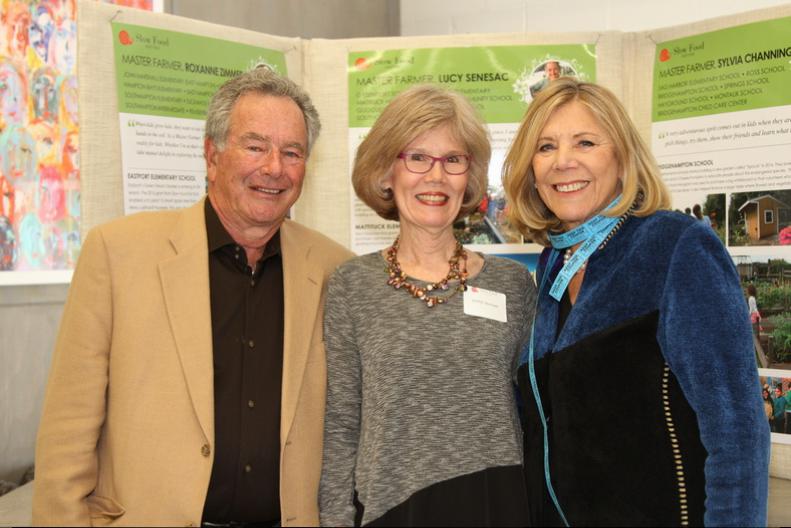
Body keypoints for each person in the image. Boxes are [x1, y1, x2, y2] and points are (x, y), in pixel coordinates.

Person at [33, 67, 353, 527]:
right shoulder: (118, 253)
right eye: (255, 146)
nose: (274, 168)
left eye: (292, 152)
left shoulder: (334, 270)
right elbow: (67, 432)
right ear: (212, 154)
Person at [502, 78, 769, 526]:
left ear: (623, 158)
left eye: (585, 142)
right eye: (545, 148)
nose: (563, 162)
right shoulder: (552, 263)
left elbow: (738, 435)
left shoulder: (674, 245)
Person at [319, 84, 535, 526]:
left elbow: (537, 417)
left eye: (453, 160)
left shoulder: (514, 285)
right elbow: (341, 426)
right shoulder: (351, 286)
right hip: (392, 509)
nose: (435, 177)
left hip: (498, 504)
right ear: (385, 173)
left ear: (469, 177)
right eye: (417, 157)